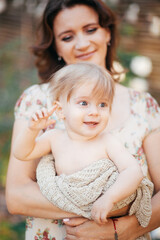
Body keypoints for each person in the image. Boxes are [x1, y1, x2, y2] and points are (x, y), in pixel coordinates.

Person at [5, 0, 160, 239]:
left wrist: (118, 227)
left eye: (90, 29)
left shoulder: (143, 107)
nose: (82, 43)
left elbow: (136, 176)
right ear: (56, 46)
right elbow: (17, 191)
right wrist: (31, 130)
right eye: (67, 37)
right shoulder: (38, 103)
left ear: (107, 32)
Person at [13, 62, 152, 228]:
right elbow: (22, 153)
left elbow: (133, 172)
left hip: (101, 222)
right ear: (60, 110)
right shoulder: (54, 138)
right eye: (84, 103)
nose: (94, 111)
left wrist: (109, 198)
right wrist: (31, 129)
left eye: (102, 104)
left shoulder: (107, 141)